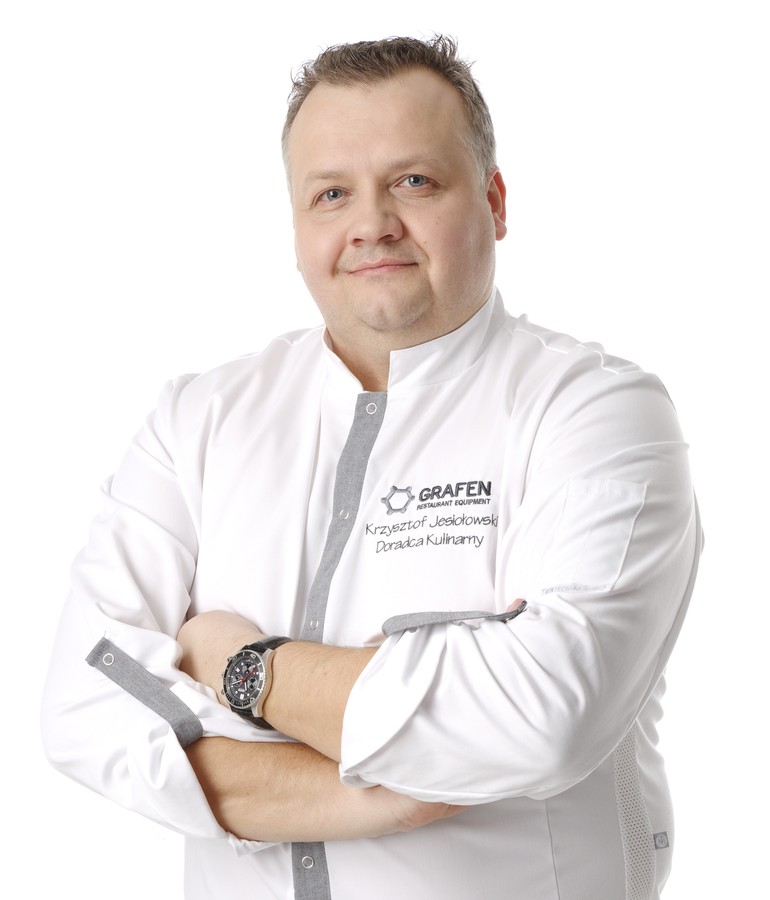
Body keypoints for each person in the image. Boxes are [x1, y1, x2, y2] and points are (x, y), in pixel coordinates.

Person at [41, 35, 701, 900]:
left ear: (495, 201)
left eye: (414, 181)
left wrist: (247, 668)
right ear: (296, 226)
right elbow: (86, 705)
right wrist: (385, 794)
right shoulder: (196, 421)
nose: (372, 224)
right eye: (331, 194)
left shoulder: (595, 413)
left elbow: (545, 715)